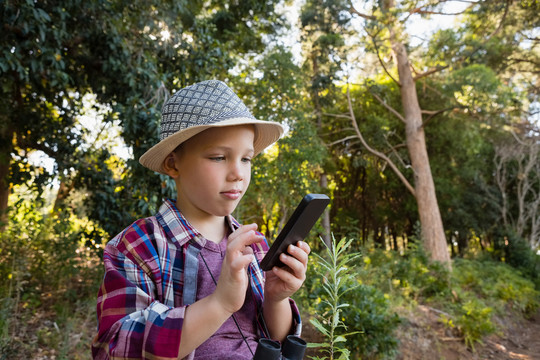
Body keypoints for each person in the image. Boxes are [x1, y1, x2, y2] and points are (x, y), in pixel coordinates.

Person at [91, 80, 310, 360]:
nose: (238, 173)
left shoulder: (252, 246)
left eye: (246, 159)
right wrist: (220, 303)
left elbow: (276, 341)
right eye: (219, 157)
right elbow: (117, 346)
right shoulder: (138, 246)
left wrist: (275, 298)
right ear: (173, 164)